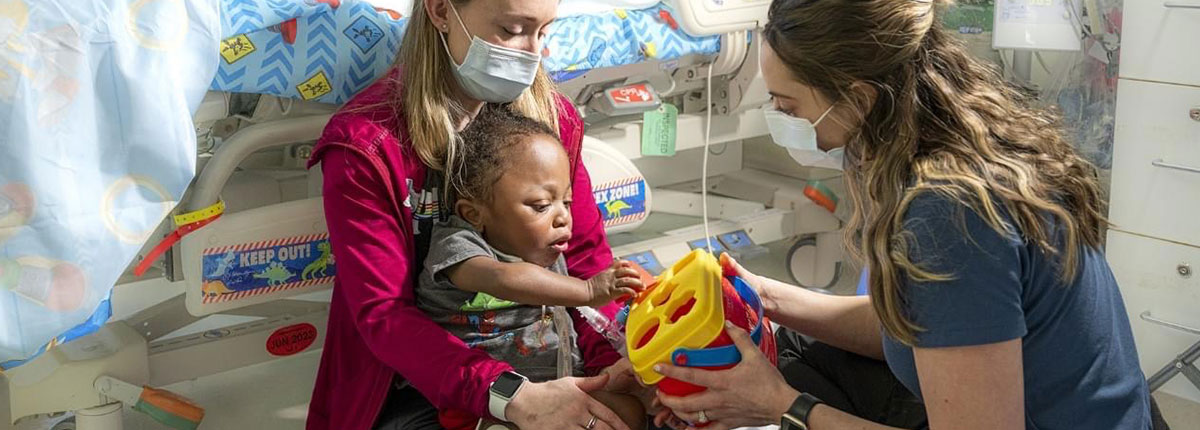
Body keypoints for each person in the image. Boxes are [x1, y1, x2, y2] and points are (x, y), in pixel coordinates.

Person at [646, 0, 1153, 429]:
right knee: (799, 344)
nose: (785, 119)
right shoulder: (974, 144)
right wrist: (766, 295)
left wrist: (783, 406)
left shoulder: (948, 214)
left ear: (860, 98)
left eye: (788, 104)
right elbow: (931, 320)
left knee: (791, 381)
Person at [304, 0, 653, 428]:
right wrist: (513, 396)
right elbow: (386, 317)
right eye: (510, 30)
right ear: (440, 11)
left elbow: (584, 264)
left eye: (543, 32)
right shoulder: (368, 147)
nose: (531, 53)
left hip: (556, 365)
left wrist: (611, 372)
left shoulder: (552, 122)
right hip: (424, 389)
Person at [416, 106, 647, 430]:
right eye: (541, 205)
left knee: (630, 412)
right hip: (491, 408)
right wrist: (587, 290)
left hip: (562, 388)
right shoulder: (459, 247)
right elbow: (505, 278)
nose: (563, 216)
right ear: (474, 213)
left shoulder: (546, 250)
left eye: (566, 202)